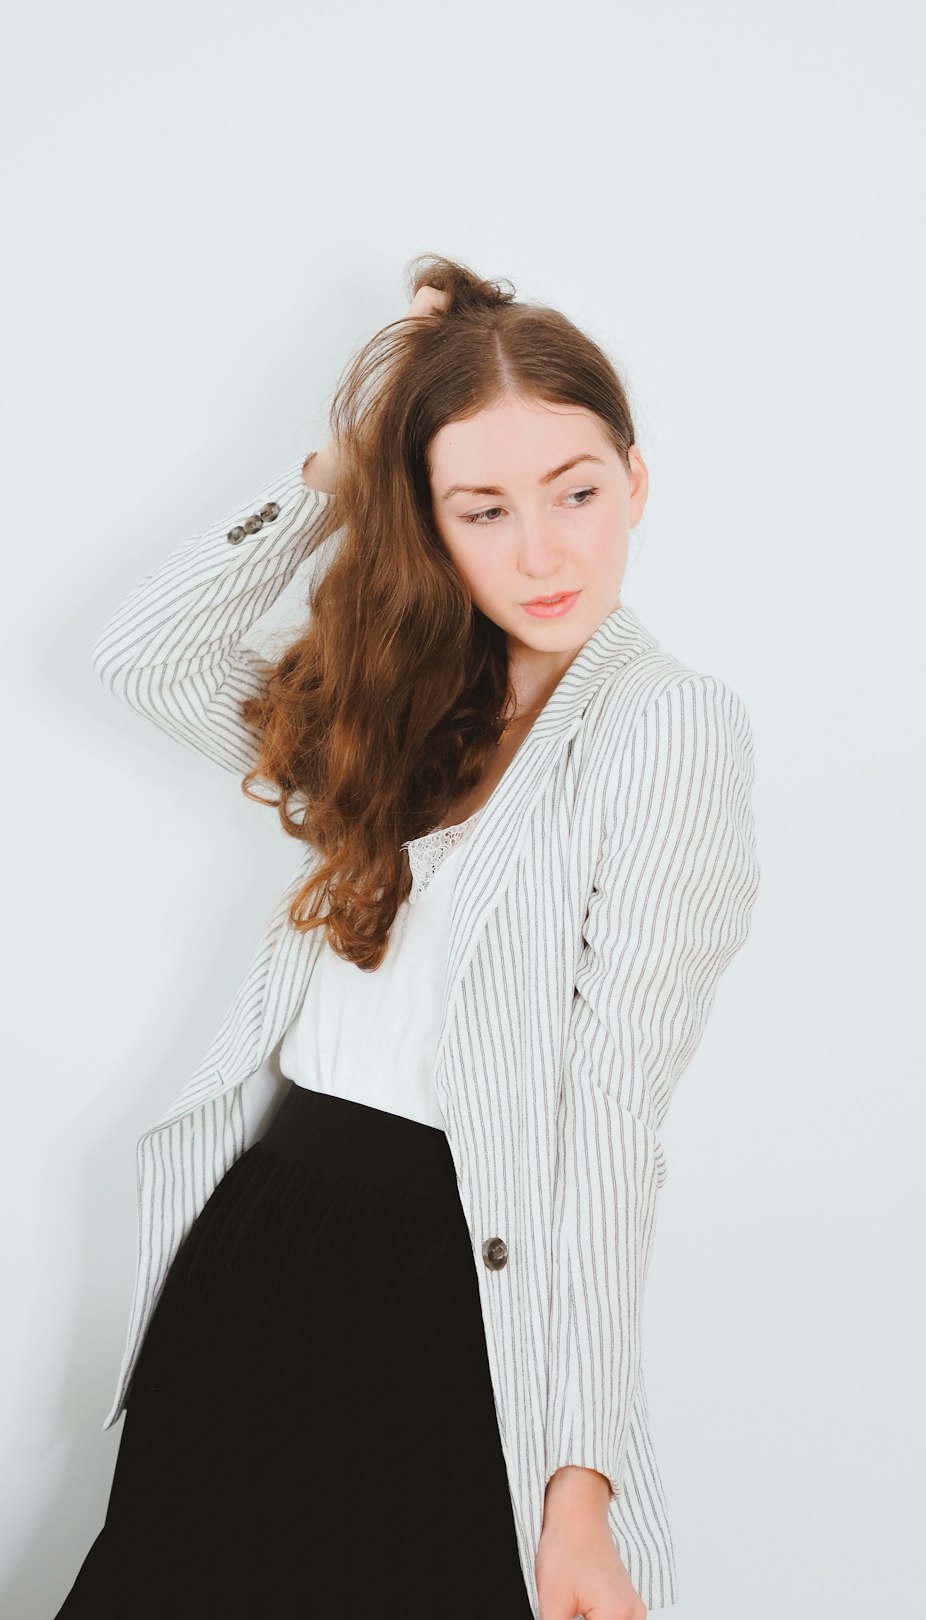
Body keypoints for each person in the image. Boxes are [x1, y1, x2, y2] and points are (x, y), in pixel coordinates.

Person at [55, 254, 760, 1618]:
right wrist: (338, 480)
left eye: (577, 492)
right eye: (481, 509)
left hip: (449, 1281)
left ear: (637, 483)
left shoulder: (664, 725)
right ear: (428, 526)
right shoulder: (404, 707)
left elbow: (614, 1121)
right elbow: (148, 658)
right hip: (271, 1230)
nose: (544, 551)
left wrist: (580, 1484)